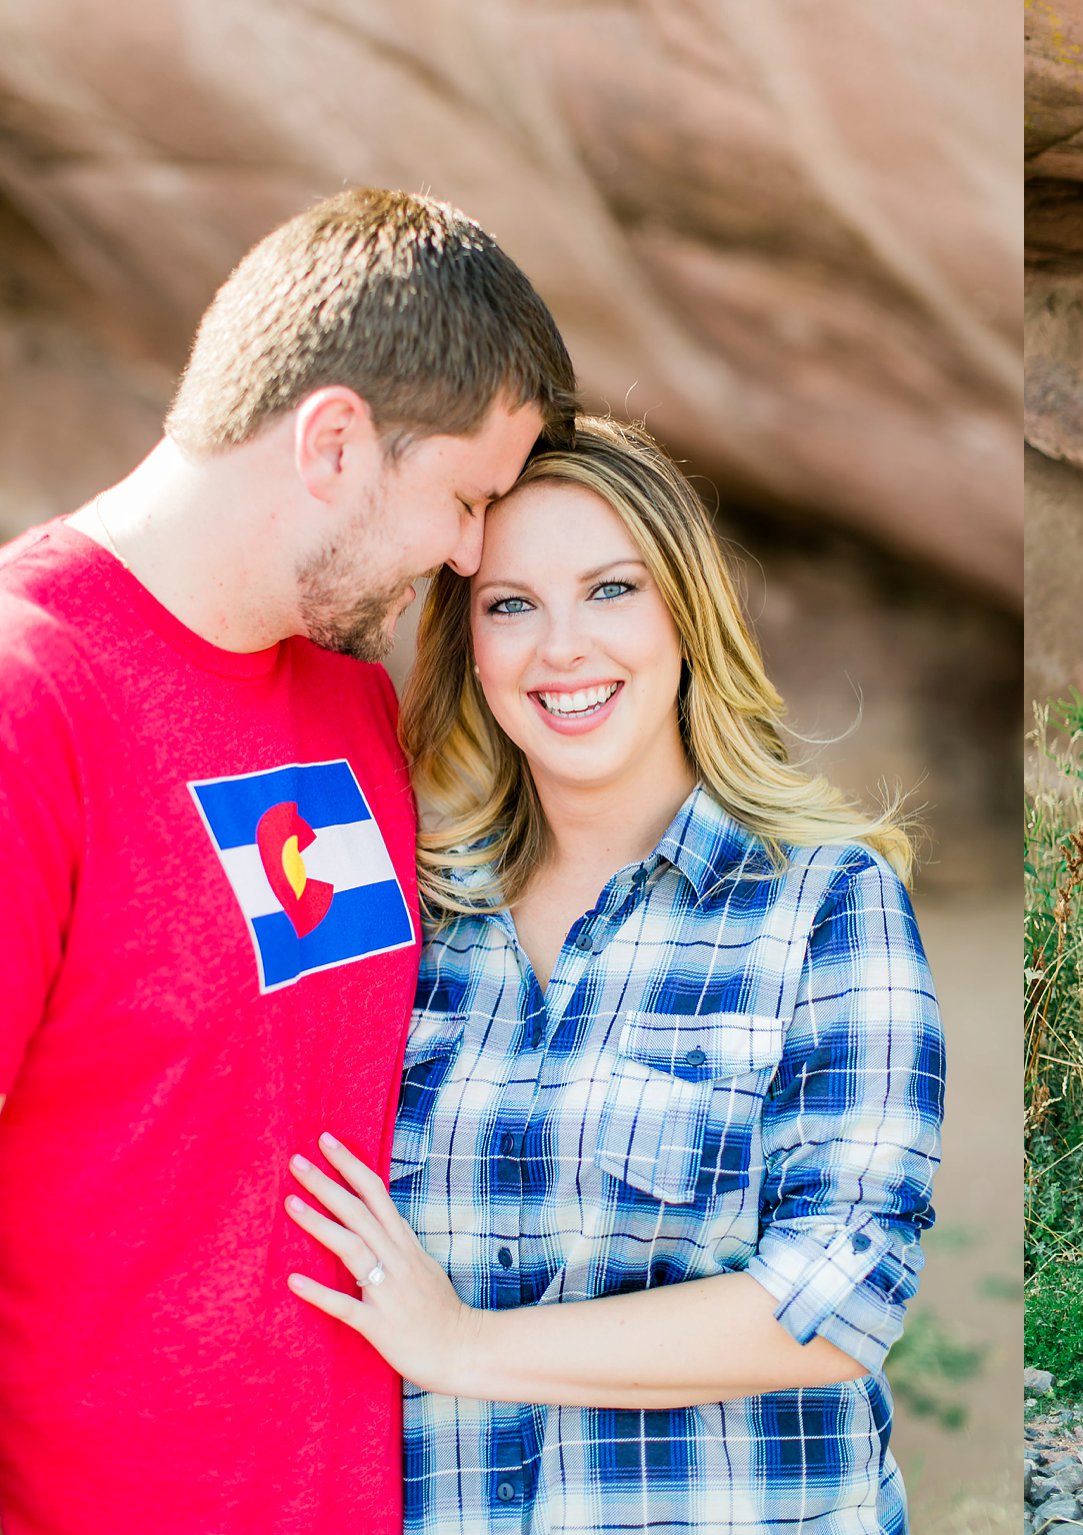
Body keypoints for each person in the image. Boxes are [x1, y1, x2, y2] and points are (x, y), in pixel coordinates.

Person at [0, 188, 576, 1534]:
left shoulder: (350, 698)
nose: (471, 552)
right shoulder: (34, 699)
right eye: (466, 496)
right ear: (332, 441)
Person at [281, 415, 945, 1533]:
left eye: (609, 590)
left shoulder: (824, 904)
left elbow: (843, 1296)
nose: (561, 649)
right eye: (510, 604)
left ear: (685, 611)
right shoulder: (412, 919)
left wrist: (464, 1345)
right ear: (469, 642)